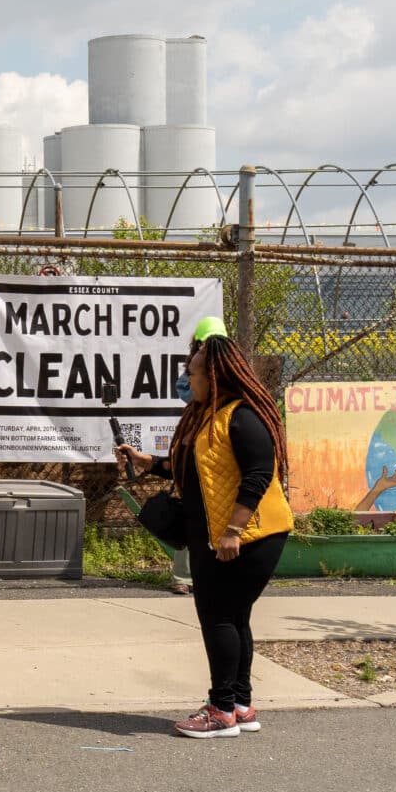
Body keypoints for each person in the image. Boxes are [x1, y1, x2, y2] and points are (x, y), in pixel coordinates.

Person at [116, 317, 293, 739]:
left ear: (212, 376)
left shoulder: (243, 417)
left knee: (218, 617)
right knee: (234, 617)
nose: (186, 378)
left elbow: (257, 476)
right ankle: (241, 704)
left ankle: (220, 711)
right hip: (220, 535)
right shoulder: (210, 417)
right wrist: (150, 462)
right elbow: (199, 472)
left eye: (191, 372)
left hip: (247, 537)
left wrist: (232, 531)